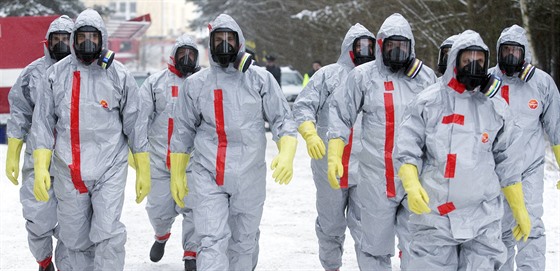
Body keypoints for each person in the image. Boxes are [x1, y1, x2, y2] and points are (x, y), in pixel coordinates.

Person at [169, 14, 298, 270]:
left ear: (239, 42)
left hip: (249, 174)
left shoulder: (260, 80)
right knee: (211, 240)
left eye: (230, 39)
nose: (225, 45)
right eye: (219, 39)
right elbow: (182, 130)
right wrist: (177, 172)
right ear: (210, 43)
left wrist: (287, 151)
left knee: (244, 241)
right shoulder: (196, 84)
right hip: (208, 174)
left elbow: (282, 119)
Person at [394, 29, 531, 270]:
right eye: (468, 61)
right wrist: (411, 184)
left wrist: (519, 208)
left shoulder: (496, 107)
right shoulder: (428, 101)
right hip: (434, 214)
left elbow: (508, 162)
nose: (474, 67)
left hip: (482, 214)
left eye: (480, 61)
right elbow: (407, 147)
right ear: (455, 61)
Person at [28, 9, 151, 270]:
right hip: (68, 168)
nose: (87, 43)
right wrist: (40, 165)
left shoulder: (119, 75)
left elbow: (135, 122)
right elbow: (42, 122)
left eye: (92, 38)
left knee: (107, 230)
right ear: (73, 39)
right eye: (81, 37)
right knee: (73, 238)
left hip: (110, 167)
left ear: (102, 39)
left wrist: (143, 167)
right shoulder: (56, 74)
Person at [327, 13, 436, 270]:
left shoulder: (426, 78)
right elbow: (341, 114)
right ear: (380, 45)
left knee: (417, 245)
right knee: (373, 246)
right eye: (391, 45)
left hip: (418, 179)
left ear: (411, 46)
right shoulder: (363, 76)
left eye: (402, 45)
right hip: (376, 178)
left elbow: (440, 124)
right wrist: (334, 153)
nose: (397, 51)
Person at [292, 23, 375, 271]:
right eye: (360, 46)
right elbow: (303, 105)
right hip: (329, 166)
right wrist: (309, 133)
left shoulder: (377, 79)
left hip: (366, 168)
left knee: (367, 227)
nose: (365, 51)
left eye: (370, 46)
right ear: (349, 48)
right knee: (331, 224)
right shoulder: (328, 75)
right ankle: (331, 266)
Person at [489, 24, 560, 271]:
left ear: (524, 54)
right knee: (498, 229)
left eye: (515, 52)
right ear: (498, 52)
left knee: (530, 226)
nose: (510, 56)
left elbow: (556, 128)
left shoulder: (542, 84)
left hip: (529, 168)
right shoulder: (487, 82)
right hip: (494, 172)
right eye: (505, 51)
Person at [5, 15, 74, 271]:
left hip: (72, 160)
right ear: (47, 42)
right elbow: (19, 112)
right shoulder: (33, 73)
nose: (60, 44)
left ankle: (68, 265)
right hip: (37, 157)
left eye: (65, 39)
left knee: (73, 223)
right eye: (55, 39)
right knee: (38, 217)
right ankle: (44, 261)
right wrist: (14, 150)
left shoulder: (86, 73)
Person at [139, 34, 200, 270]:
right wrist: (138, 151)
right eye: (182, 54)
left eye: (191, 55)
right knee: (158, 208)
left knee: (194, 207)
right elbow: (140, 118)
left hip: (193, 161)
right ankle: (161, 234)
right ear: (174, 55)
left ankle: (191, 253)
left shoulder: (201, 83)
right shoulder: (155, 83)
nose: (186, 59)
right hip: (159, 159)